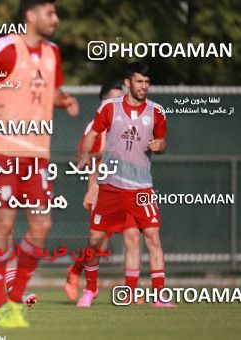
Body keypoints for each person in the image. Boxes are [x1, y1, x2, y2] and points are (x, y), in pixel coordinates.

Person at [0, 0, 79, 327]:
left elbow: (49, 92)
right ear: (30, 15)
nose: (55, 19)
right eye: (50, 12)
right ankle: (2, 303)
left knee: (41, 227)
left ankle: (15, 297)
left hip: (37, 153)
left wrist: (63, 100)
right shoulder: (5, 46)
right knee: (3, 223)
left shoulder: (52, 52)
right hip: (2, 149)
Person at [76, 61, 175, 307]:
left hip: (141, 188)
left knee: (152, 237)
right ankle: (90, 289)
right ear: (128, 83)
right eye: (139, 81)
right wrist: (85, 155)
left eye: (147, 82)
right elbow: (91, 135)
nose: (143, 86)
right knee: (94, 240)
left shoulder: (156, 112)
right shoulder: (109, 108)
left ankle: (157, 296)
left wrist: (159, 146)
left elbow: (162, 143)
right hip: (110, 186)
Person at [64, 82, 124, 301]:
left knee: (135, 236)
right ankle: (77, 271)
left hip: (128, 187)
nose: (119, 103)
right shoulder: (95, 126)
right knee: (99, 243)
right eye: (114, 98)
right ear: (103, 102)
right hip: (102, 188)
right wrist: (93, 187)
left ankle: (135, 290)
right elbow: (83, 157)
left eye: (122, 98)